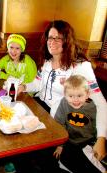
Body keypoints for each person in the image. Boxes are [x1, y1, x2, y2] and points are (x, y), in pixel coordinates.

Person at [18, 20, 107, 161]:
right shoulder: (47, 62)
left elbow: (101, 102)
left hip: (60, 118)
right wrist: (24, 87)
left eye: (58, 38)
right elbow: (37, 83)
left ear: (67, 40)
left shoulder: (81, 66)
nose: (52, 41)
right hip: (40, 108)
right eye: (50, 37)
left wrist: (102, 138)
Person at [54, 75, 105, 173]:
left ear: (87, 94)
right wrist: (60, 145)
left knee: (93, 163)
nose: (75, 100)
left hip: (88, 142)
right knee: (62, 161)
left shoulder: (93, 107)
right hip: (70, 140)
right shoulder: (64, 103)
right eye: (71, 96)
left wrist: (98, 143)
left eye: (79, 96)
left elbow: (99, 125)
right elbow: (59, 124)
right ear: (65, 95)